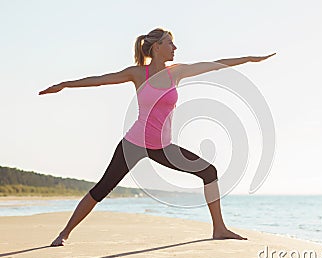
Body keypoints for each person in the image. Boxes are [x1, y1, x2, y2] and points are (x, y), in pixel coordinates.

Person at [39, 28, 276, 246]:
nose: (175, 48)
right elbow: (100, 80)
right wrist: (65, 85)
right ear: (157, 46)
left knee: (208, 172)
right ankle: (64, 233)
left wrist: (248, 59)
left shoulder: (178, 72)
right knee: (103, 188)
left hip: (161, 146)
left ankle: (219, 228)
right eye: (170, 43)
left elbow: (214, 65)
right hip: (133, 144)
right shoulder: (137, 74)